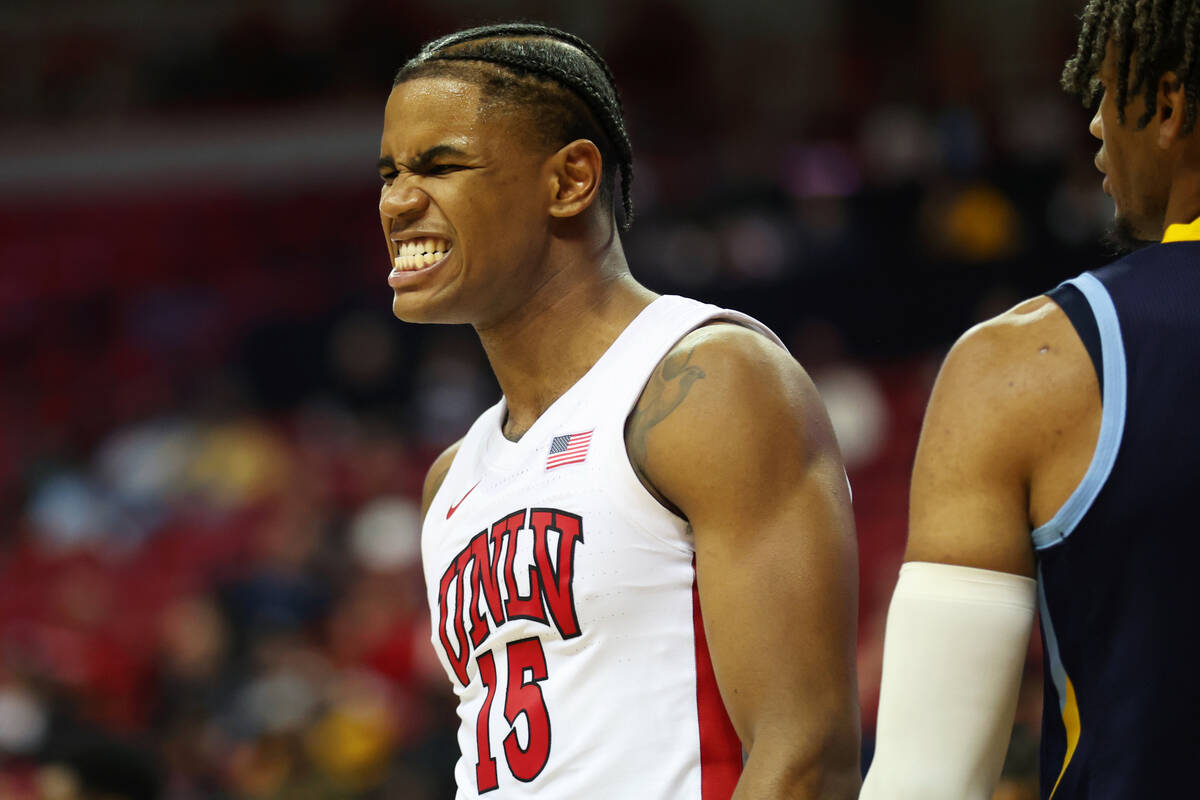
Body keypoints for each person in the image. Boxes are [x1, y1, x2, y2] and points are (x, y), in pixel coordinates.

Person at [377, 22, 860, 800]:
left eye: (440, 166)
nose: (398, 201)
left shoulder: (706, 383)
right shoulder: (450, 481)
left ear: (570, 180)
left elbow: (804, 757)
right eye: (390, 173)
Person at [861, 2, 1200, 798]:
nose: (1094, 125)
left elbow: (927, 783)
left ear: (1168, 105)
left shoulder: (1027, 365)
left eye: (1105, 90)